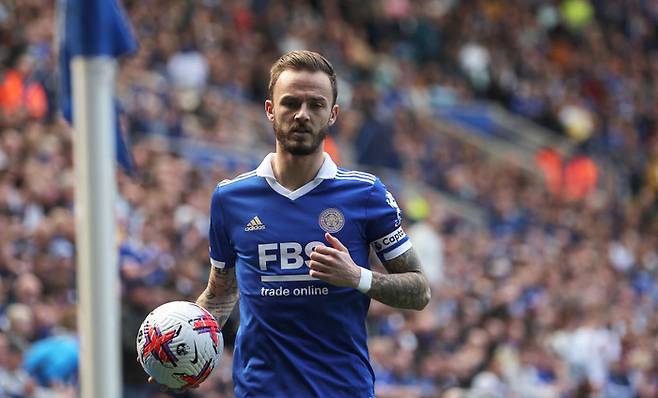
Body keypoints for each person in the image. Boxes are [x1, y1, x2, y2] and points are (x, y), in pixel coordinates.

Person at [195, 50, 430, 397]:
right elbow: (220, 295)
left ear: (332, 114)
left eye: (316, 105)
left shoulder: (365, 193)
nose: (302, 115)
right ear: (270, 110)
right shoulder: (231, 199)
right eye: (291, 103)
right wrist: (176, 347)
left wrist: (358, 277)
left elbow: (420, 291)